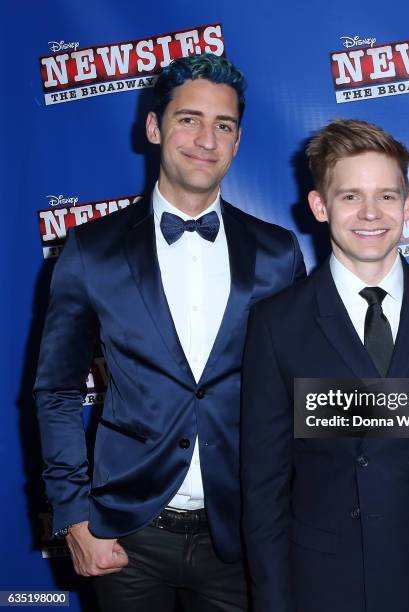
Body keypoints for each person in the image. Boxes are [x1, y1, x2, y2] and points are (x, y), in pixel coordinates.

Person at [34, 53, 305, 611]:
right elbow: (57, 391)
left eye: (223, 125)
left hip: (245, 537)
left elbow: (302, 395)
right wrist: (74, 516)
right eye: (189, 119)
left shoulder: (278, 253)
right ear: (155, 127)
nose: (206, 138)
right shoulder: (92, 251)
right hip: (128, 534)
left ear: (237, 140)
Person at [241, 119, 409, 612]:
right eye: (350, 197)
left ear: (408, 205)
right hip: (328, 586)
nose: (371, 213)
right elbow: (264, 492)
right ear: (319, 207)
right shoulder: (277, 324)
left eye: (387, 196)